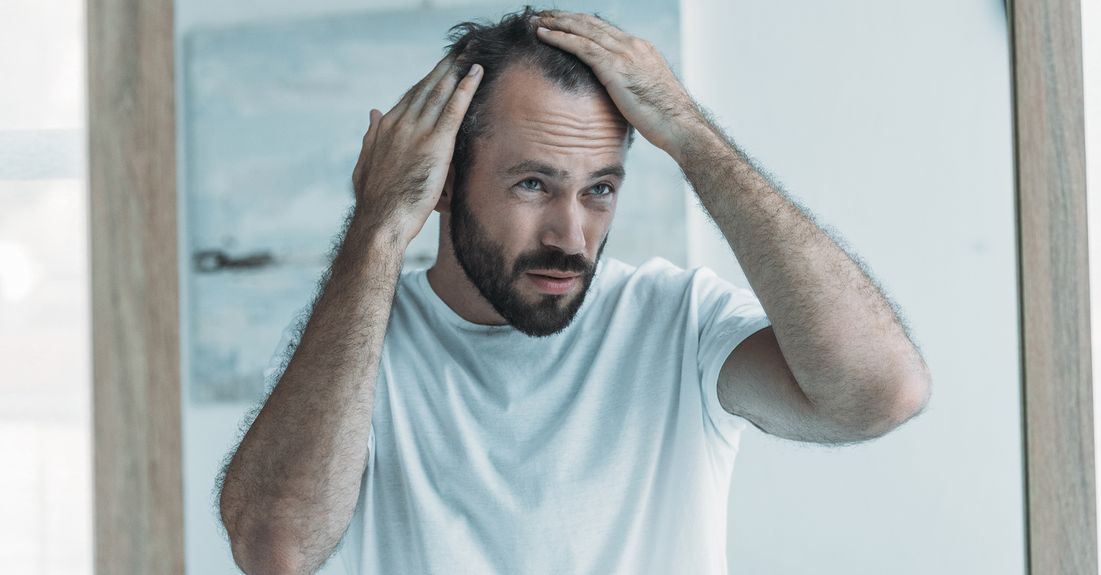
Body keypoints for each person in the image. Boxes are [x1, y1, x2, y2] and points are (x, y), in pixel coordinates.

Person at [216, 6, 932, 574]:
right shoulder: (361, 336)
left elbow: (879, 393)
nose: (571, 232)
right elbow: (274, 548)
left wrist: (689, 134)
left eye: (599, 189)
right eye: (533, 183)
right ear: (442, 184)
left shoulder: (675, 320)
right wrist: (375, 227)